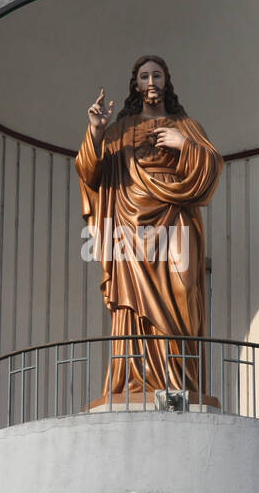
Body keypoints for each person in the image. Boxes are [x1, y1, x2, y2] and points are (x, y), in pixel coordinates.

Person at [75, 55, 223, 404]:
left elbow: (212, 166)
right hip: (129, 218)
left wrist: (183, 144)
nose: (151, 80)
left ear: (167, 81)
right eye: (144, 76)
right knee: (133, 305)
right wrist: (96, 130)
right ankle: (135, 381)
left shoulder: (186, 125)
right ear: (136, 84)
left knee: (185, 290)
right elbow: (90, 173)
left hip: (176, 216)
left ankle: (183, 381)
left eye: (157, 74)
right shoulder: (118, 130)